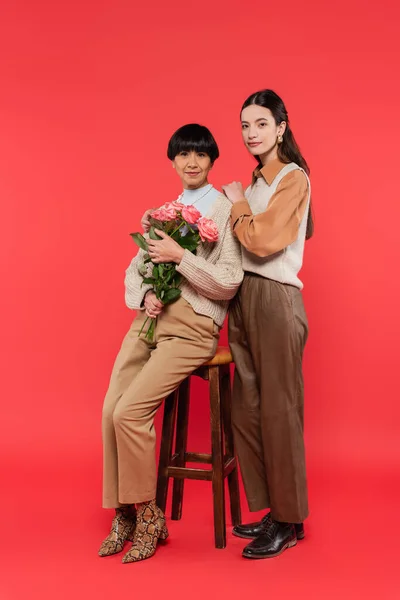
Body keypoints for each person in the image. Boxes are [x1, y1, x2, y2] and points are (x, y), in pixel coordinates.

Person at [99, 123, 243, 563]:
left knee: (130, 411)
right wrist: (144, 293)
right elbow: (134, 269)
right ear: (173, 161)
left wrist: (182, 258)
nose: (192, 162)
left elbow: (230, 282)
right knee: (109, 411)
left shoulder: (224, 211)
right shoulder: (163, 211)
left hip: (192, 327)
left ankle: (147, 515)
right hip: (150, 321)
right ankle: (124, 511)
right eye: (183, 155)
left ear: (212, 160)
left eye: (200, 154)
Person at [222, 89, 314, 560]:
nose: (251, 133)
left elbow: (262, 241)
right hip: (245, 297)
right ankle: (272, 510)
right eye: (244, 125)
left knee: (279, 409)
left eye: (260, 124)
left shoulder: (292, 178)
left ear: (281, 128)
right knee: (248, 408)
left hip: (276, 299)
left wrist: (237, 204)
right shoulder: (258, 181)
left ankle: (290, 519)